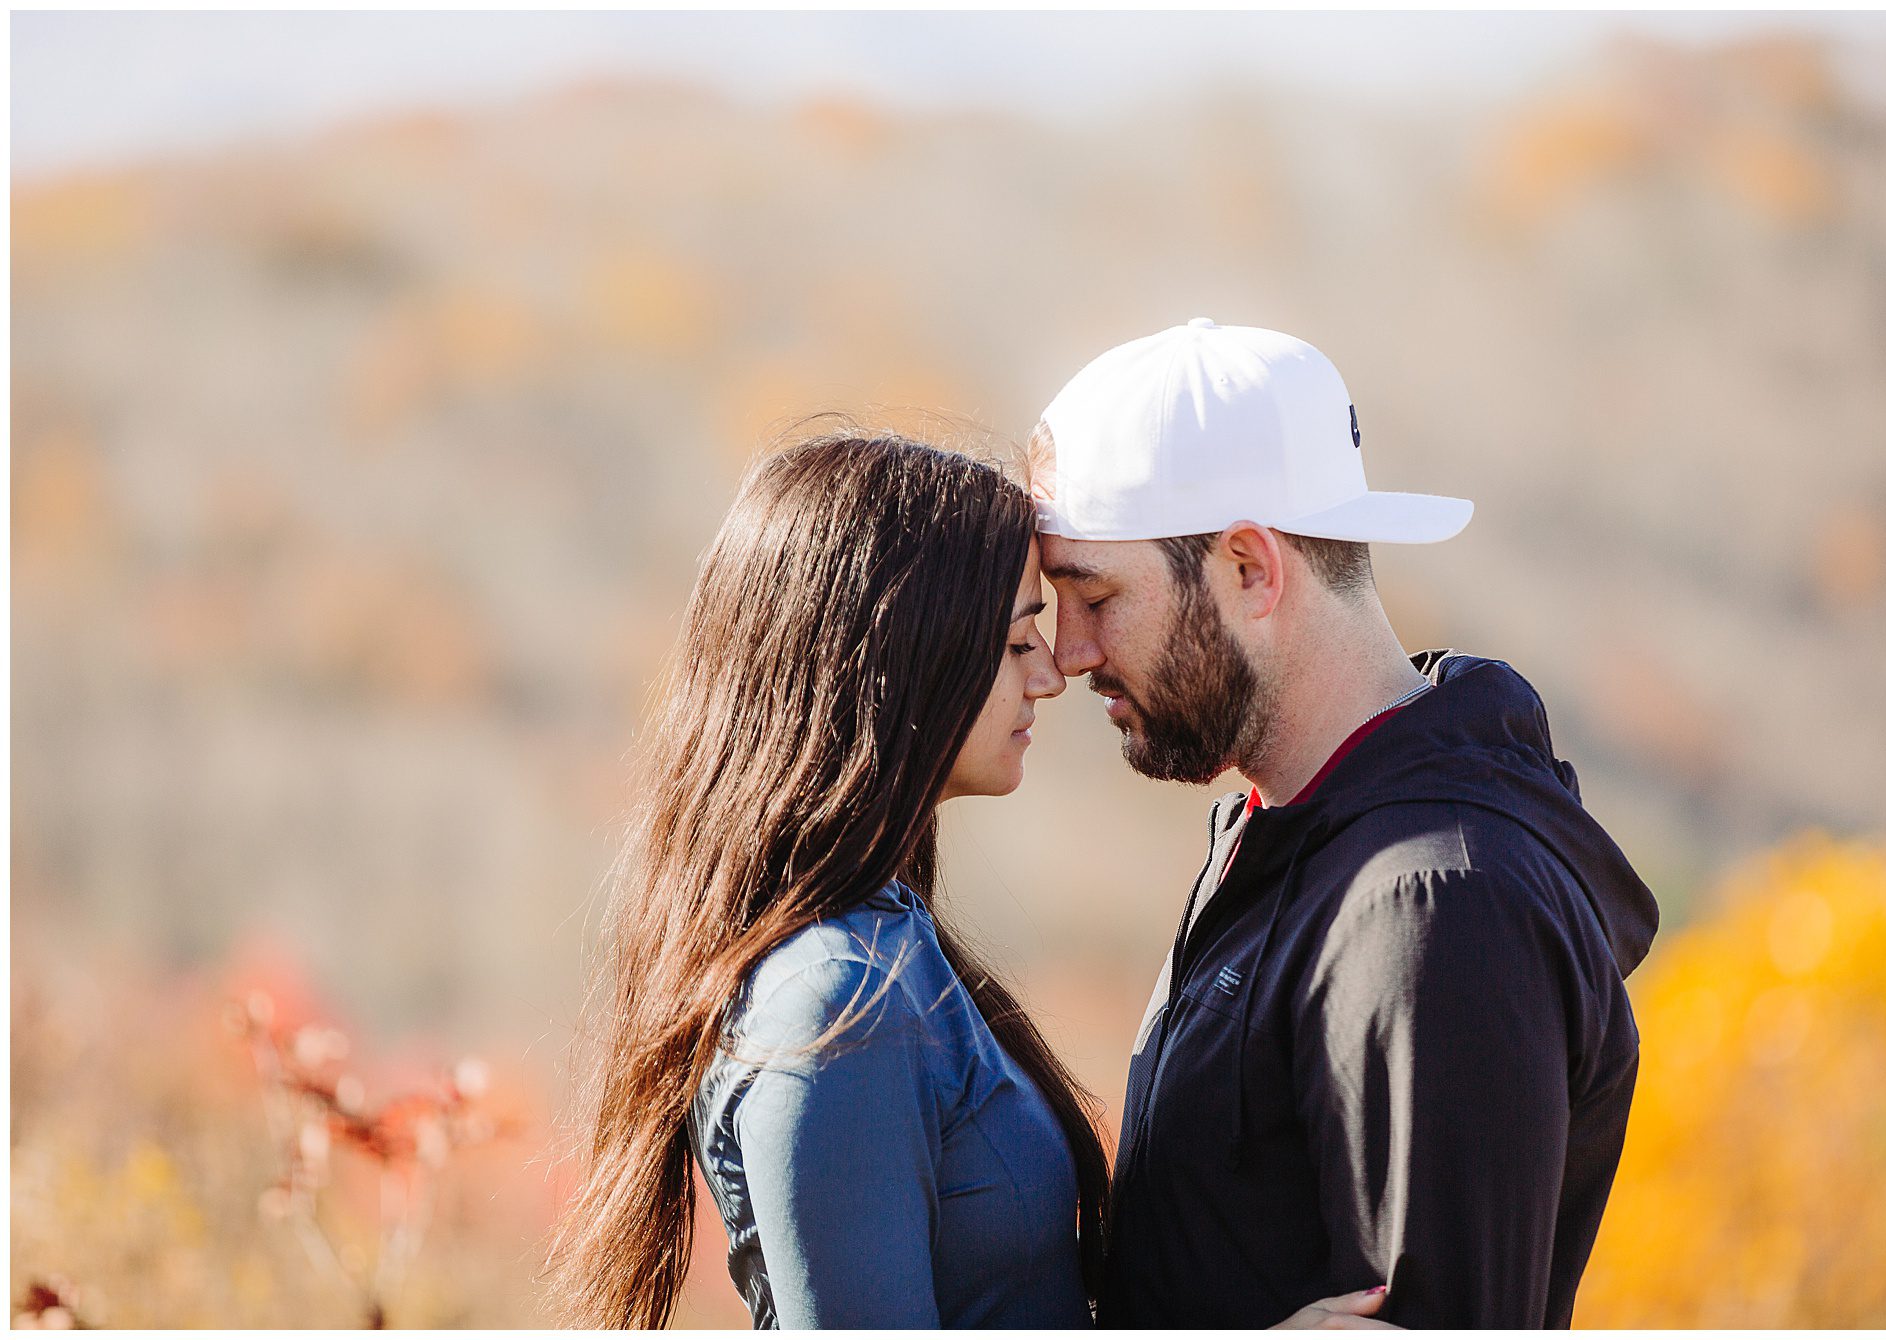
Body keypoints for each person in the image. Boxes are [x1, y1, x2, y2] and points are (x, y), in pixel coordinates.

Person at [544, 430, 1393, 1329]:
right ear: (902, 653)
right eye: (1018, 635)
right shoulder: (837, 1004)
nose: (1051, 674)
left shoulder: (883, 944)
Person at [1029, 320, 1660, 1329]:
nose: (1065, 652)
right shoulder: (1266, 824)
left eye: (1093, 594)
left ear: (1247, 568)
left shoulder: (1432, 905)